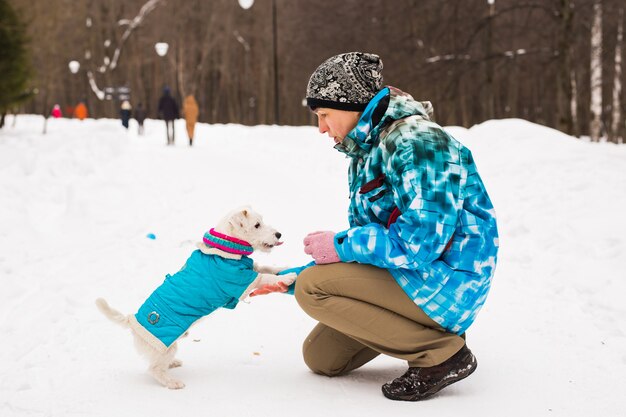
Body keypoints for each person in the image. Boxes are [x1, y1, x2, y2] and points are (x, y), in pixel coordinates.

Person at [251, 52, 499, 401]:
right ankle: (424, 334)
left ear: (352, 105)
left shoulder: (419, 143)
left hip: (448, 283)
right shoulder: (368, 149)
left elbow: (422, 243)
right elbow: (376, 239)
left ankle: (442, 354)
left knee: (313, 288)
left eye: (324, 115)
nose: (321, 127)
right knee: (322, 358)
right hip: (413, 277)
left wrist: (338, 247)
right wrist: (292, 275)